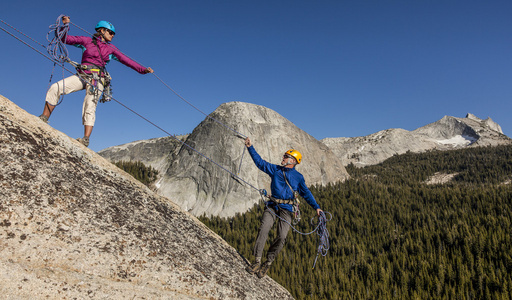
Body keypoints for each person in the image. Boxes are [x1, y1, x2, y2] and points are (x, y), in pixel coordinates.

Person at [39, 16, 154, 147]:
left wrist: (143, 70)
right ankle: (44, 118)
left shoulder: (111, 49)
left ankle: (85, 139)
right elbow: (64, 39)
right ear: (102, 31)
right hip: (82, 76)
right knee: (56, 87)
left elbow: (127, 60)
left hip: (97, 80)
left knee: (90, 105)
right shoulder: (86, 41)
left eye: (113, 34)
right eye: (110, 32)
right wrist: (65, 25)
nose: (112, 35)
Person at [244, 137, 323, 278]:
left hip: (287, 209)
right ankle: (256, 261)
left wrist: (316, 207)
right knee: (264, 228)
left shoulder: (298, 177)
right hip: (272, 205)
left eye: (286, 156)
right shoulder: (275, 169)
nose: (283, 157)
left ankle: (267, 263)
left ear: (293, 161)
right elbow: (260, 163)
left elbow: (306, 193)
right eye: (284, 156)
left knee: (281, 237)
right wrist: (250, 147)